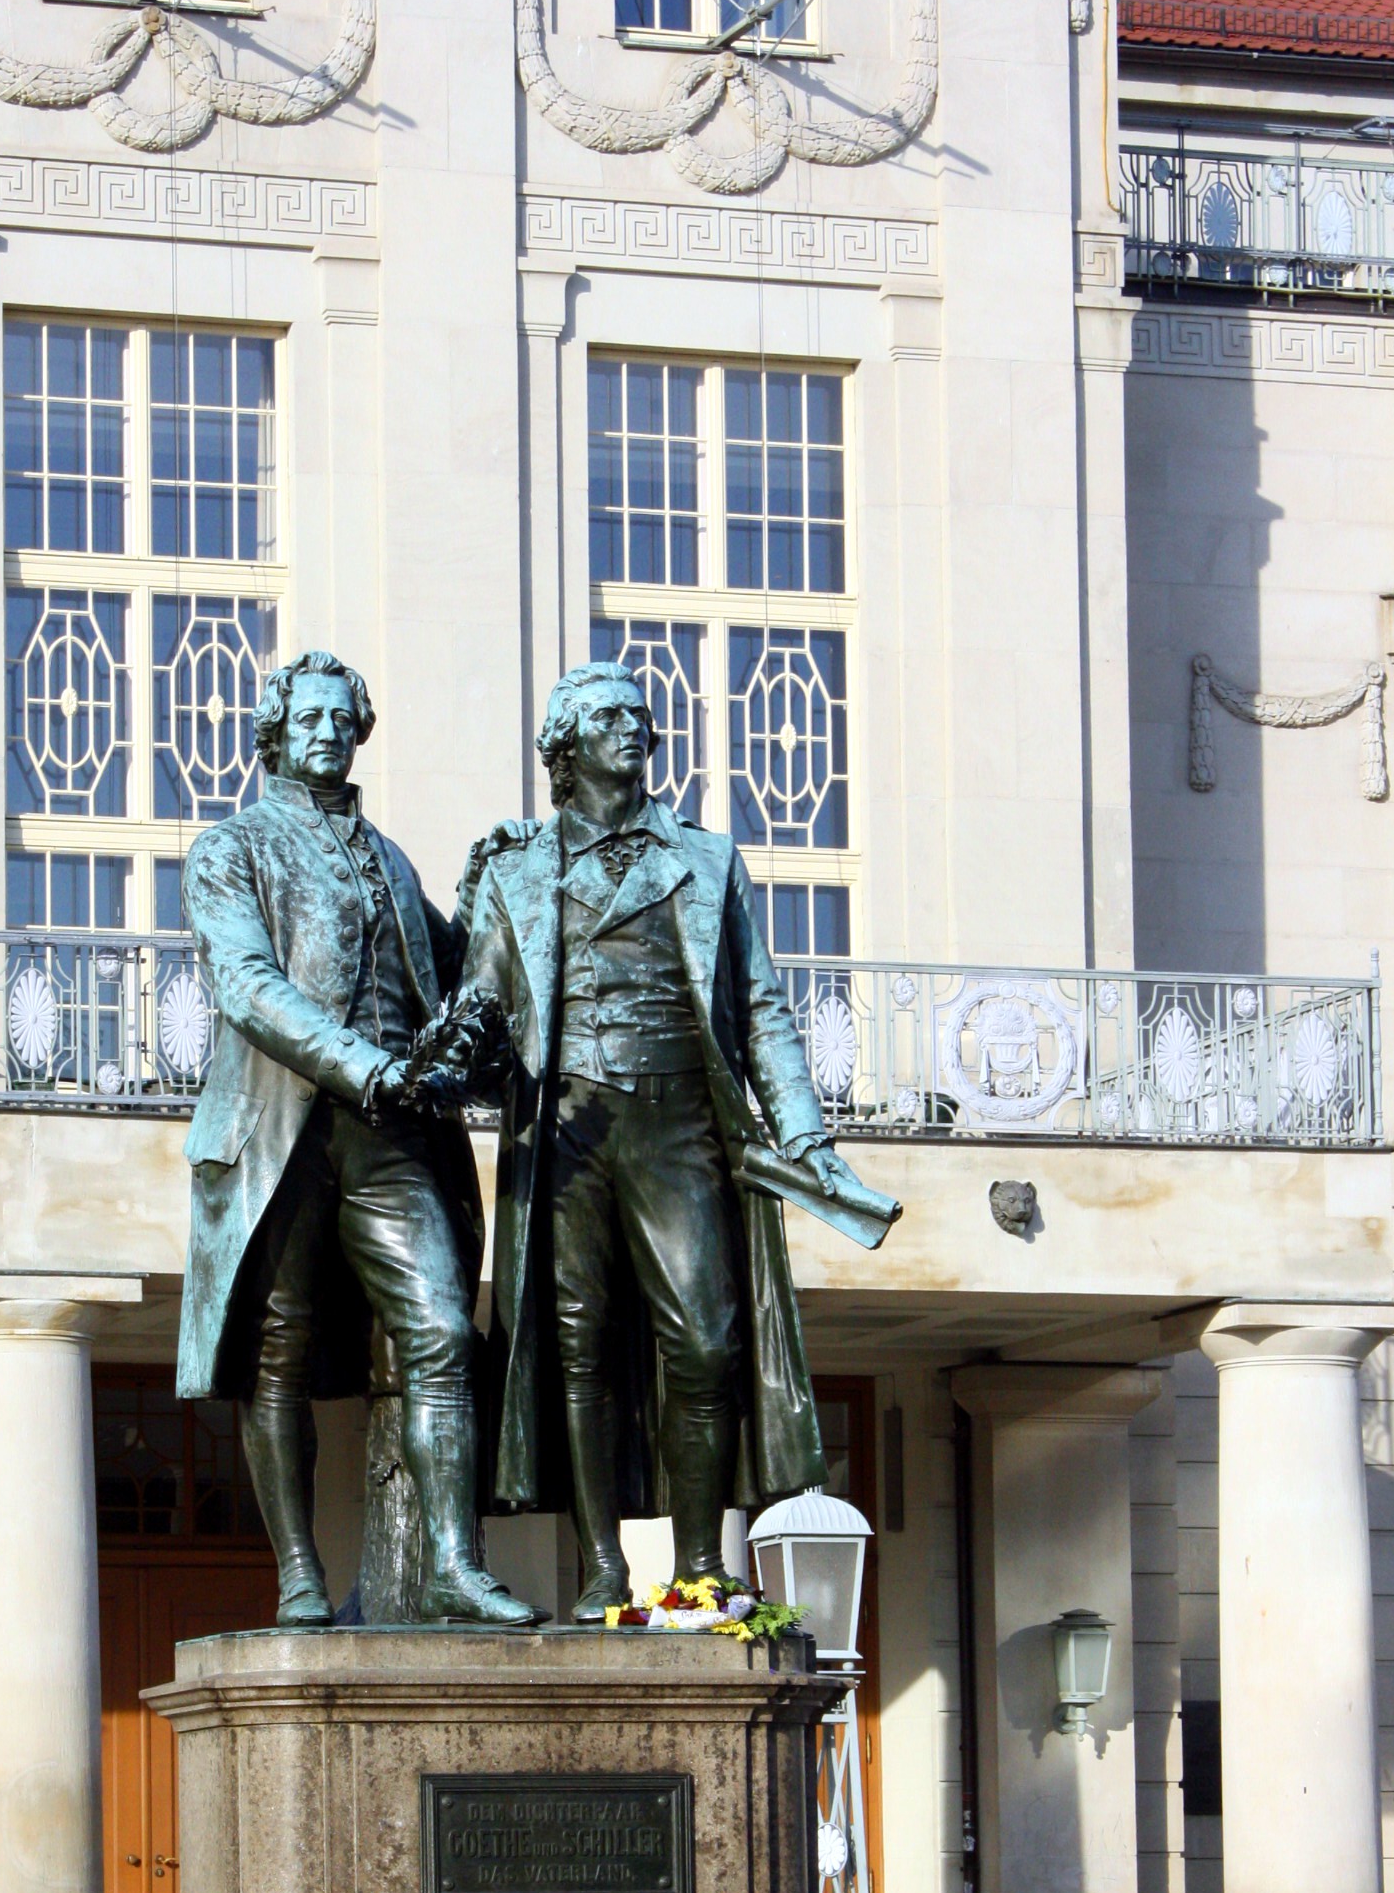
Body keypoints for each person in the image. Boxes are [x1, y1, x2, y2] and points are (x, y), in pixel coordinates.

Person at [458, 657, 894, 1622]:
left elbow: (762, 1009)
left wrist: (807, 1136)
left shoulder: (704, 858)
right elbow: (479, 1006)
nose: (634, 728)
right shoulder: (516, 866)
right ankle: (602, 1565)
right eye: (610, 716)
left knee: (705, 1341)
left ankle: (700, 1561)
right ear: (565, 748)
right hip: (566, 1124)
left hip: (678, 1121)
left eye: (641, 715)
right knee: (579, 1347)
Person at [178, 648, 534, 1630]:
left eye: (344, 717)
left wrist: (488, 883)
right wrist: (357, 1062)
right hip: (281, 1125)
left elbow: (452, 971)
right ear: (277, 730)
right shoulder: (233, 846)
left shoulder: (386, 856)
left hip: (394, 1126)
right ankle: (296, 1568)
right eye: (313, 717)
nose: (330, 732)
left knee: (438, 1330)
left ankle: (451, 1566)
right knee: (277, 1350)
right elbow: (248, 986)